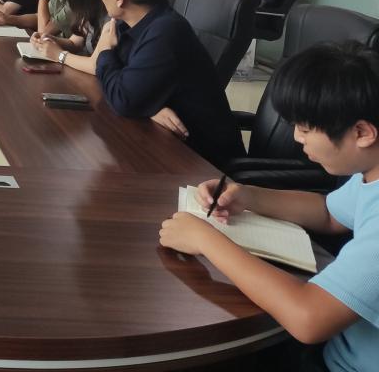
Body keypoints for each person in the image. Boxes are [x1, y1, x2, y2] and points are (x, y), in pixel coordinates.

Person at [159, 39, 379, 372]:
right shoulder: (371, 173)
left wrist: (205, 239)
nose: (297, 138)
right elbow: (329, 213)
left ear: (362, 132)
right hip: (340, 342)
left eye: (305, 128)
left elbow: (309, 319)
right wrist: (248, 196)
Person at [93, 0, 243, 168]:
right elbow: (120, 86)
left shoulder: (165, 32)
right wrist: (148, 108)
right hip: (166, 145)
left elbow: (122, 98)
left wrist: (105, 51)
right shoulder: (138, 23)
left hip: (201, 162)